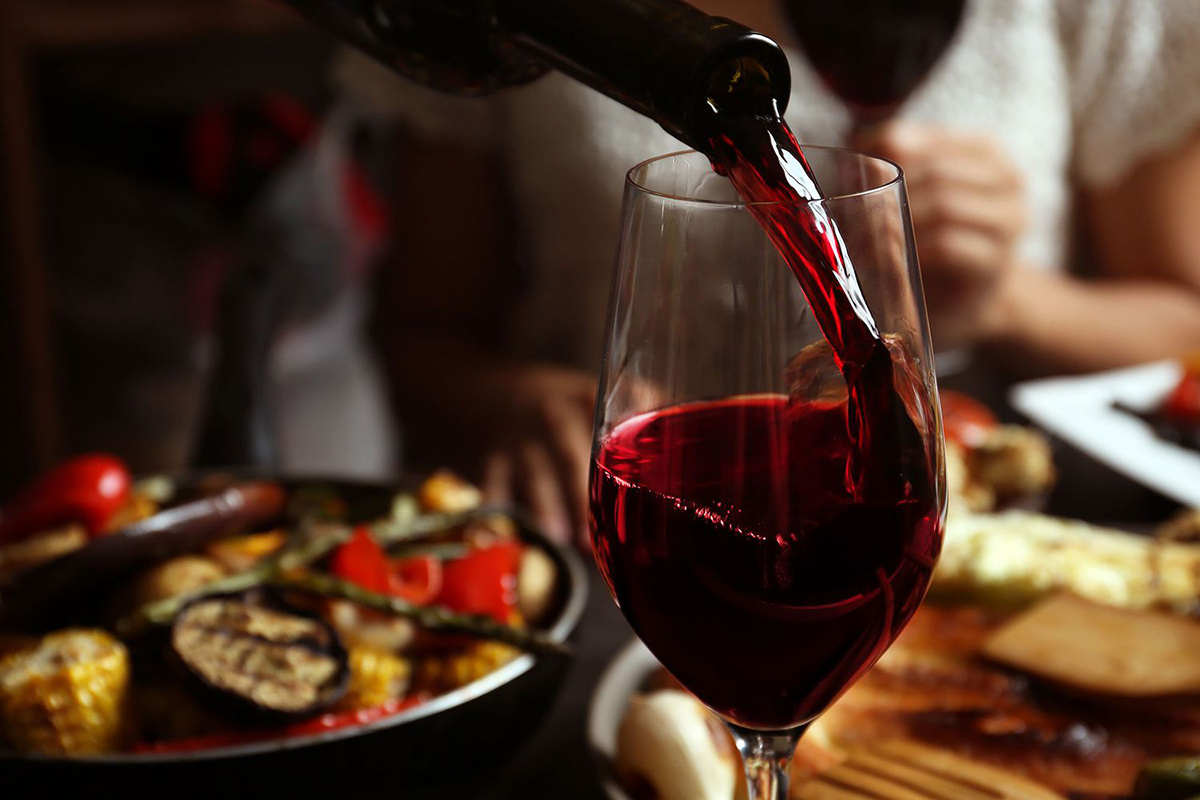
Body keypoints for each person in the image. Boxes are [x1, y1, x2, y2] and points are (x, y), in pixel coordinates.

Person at [336, 0, 1200, 544]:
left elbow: (1186, 325)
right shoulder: (496, 20)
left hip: (973, 539)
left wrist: (1009, 302)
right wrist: (511, 401)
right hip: (632, 534)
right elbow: (420, 337)